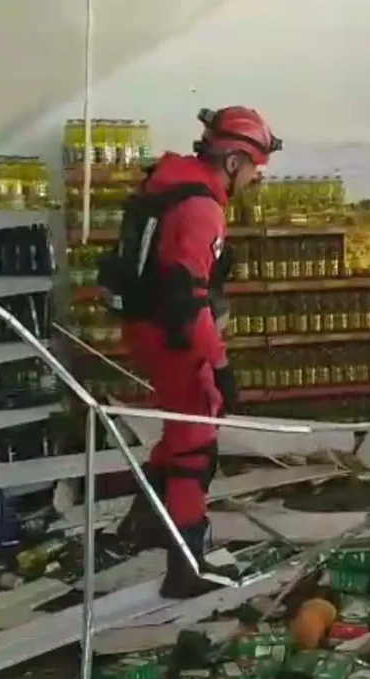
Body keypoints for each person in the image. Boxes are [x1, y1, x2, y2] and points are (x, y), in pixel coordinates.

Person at [108, 106, 281, 598]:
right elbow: (190, 301)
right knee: (194, 447)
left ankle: (143, 526)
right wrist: (221, 367)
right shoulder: (201, 206)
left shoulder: (169, 183)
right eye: (254, 170)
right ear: (234, 161)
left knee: (177, 431)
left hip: (146, 329)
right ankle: (186, 568)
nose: (253, 181)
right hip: (175, 338)